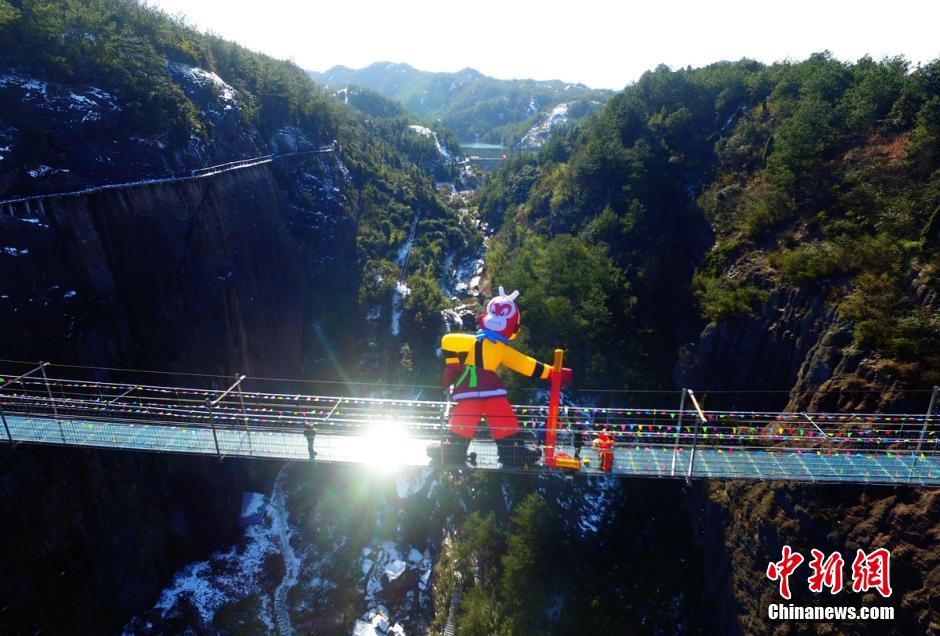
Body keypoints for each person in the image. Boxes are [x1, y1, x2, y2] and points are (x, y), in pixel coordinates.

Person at [428, 286, 572, 468]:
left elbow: (448, 341)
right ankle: (507, 451)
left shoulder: (482, 343)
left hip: (473, 383)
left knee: (483, 413)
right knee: (492, 412)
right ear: (514, 328)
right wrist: (552, 373)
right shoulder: (487, 345)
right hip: (484, 384)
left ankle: (456, 451)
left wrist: (453, 365)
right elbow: (524, 363)